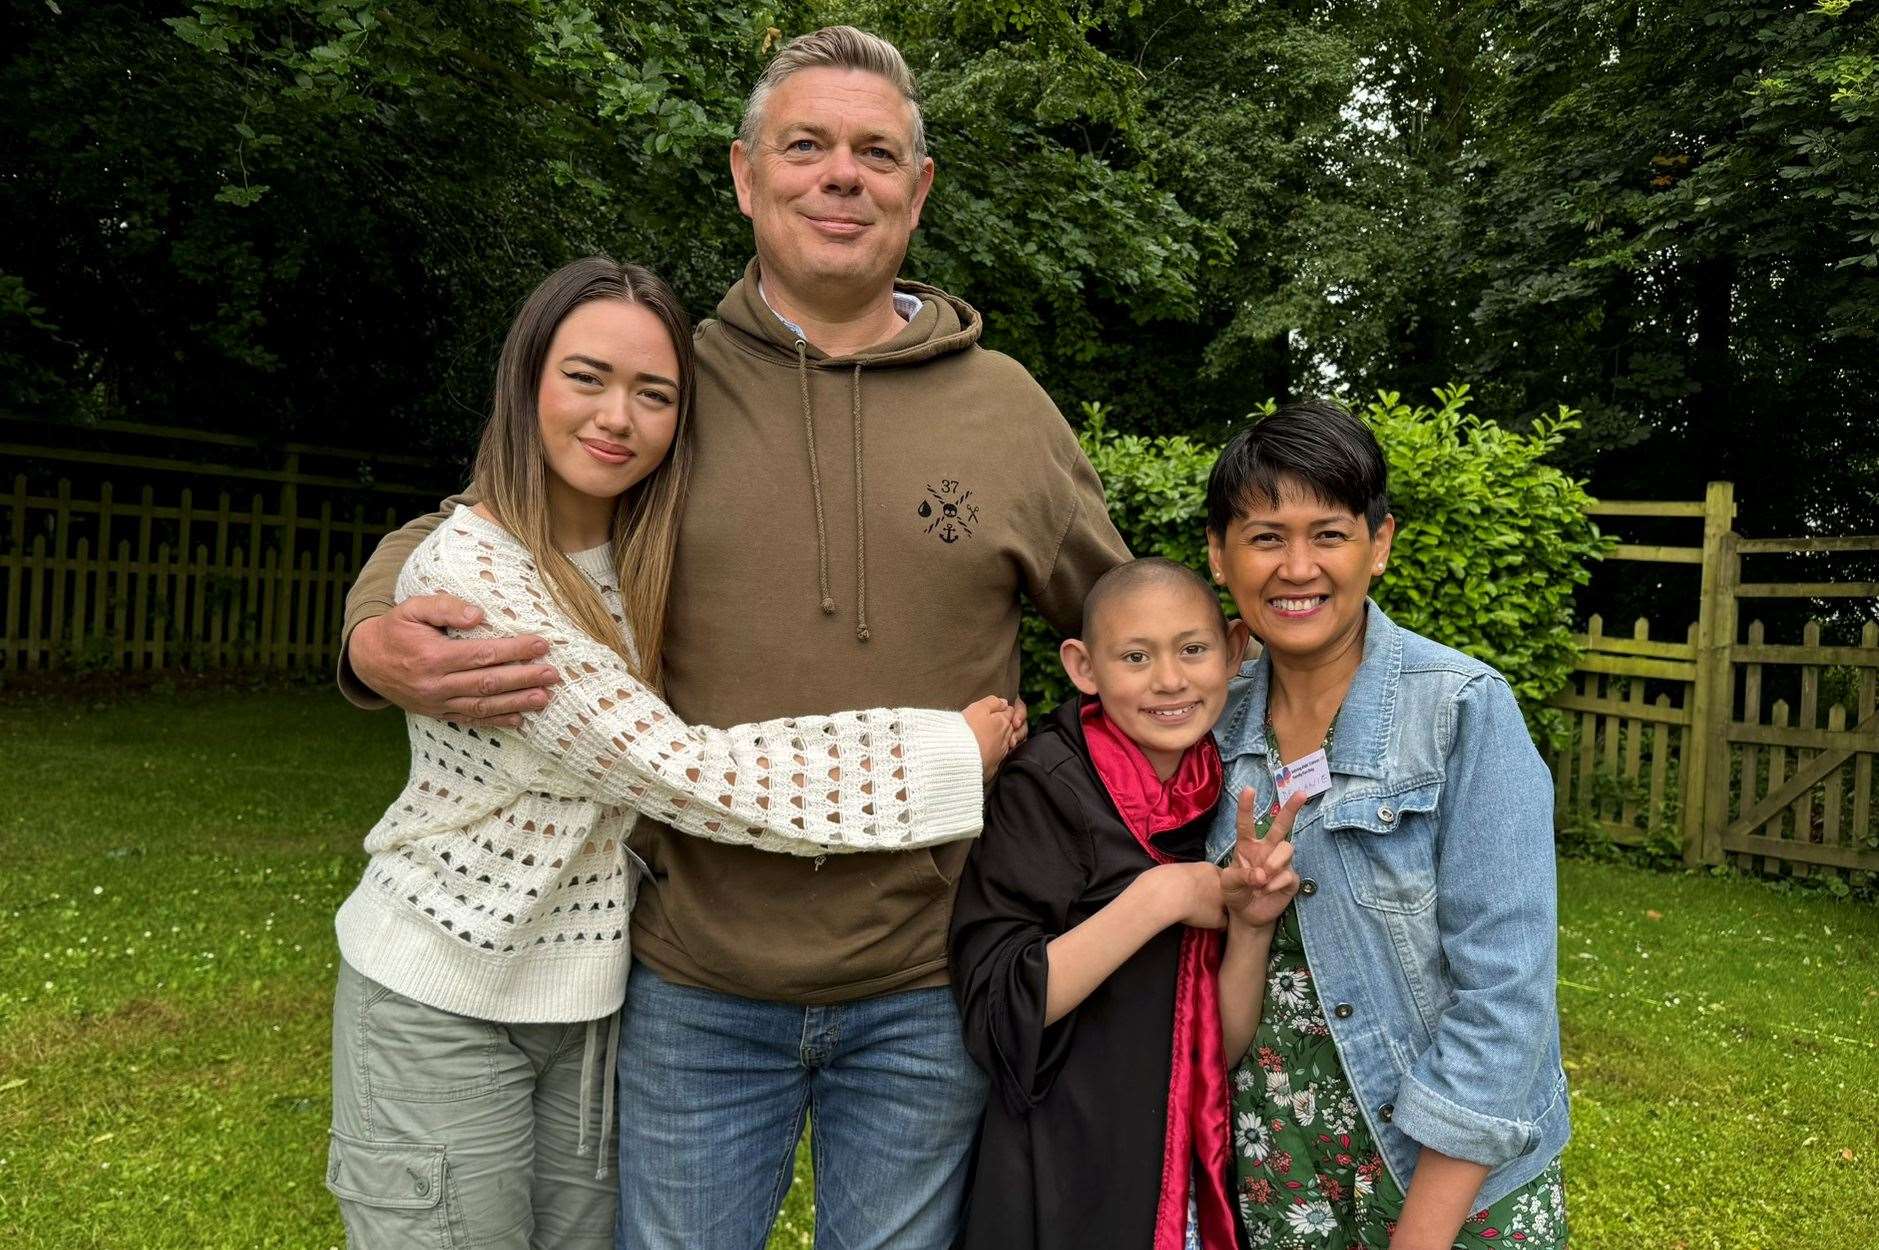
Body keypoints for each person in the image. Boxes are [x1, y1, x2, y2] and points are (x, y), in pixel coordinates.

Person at [335, 27, 1131, 1250]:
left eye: (876, 152)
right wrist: (372, 633)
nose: (840, 175)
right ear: (744, 172)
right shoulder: (668, 385)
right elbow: (491, 523)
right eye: (804, 144)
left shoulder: (1007, 410)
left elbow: (1129, 632)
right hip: (693, 976)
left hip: (925, 975)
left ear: (918, 192)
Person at [323, 255, 1025, 1250]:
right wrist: (943, 751)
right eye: (584, 377)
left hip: (583, 1001)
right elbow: (690, 773)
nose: (616, 415)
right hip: (446, 987)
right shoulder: (481, 581)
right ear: (523, 381)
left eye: (652, 395)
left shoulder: (637, 545)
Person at [1201, 401, 1569, 1249]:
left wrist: (1424, 1228)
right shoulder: (1202, 730)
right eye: (1264, 537)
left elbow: (1507, 995)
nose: (1297, 567)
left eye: (1327, 534)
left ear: (1379, 545)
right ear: (1219, 556)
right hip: (1272, 1173)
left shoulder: (1461, 712)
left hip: (1449, 1184)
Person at [950, 557, 1304, 1250]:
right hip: (1063, 1159)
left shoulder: (1222, 784)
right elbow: (997, 1012)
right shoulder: (1047, 788)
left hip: (1178, 1155)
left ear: (1235, 652)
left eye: (1193, 650)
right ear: (1084, 668)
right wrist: (1162, 894)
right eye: (1135, 657)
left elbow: (1218, 1047)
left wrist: (1251, 927)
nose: (1169, 680)